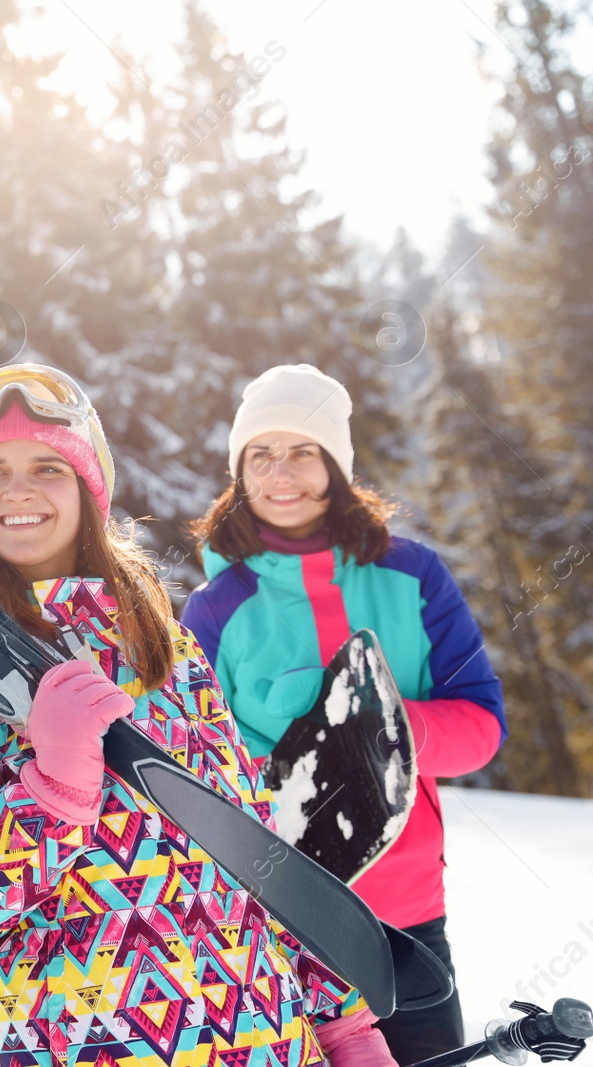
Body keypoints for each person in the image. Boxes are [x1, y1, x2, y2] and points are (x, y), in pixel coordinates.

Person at [0, 363, 394, 1067]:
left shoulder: (168, 650)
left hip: (264, 1041)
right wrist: (52, 794)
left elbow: (259, 855)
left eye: (47, 466)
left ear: (90, 489)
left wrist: (342, 1023)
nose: (19, 491)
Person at [184, 363, 505, 1064]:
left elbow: (481, 729)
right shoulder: (217, 609)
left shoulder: (414, 576)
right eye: (260, 456)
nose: (281, 473)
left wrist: (389, 727)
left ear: (335, 462)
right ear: (241, 472)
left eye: (303, 450)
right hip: (280, 925)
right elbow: (202, 770)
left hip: (409, 919)